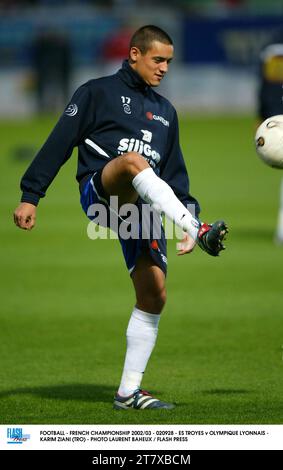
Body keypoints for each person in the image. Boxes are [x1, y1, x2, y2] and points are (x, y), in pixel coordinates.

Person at [13, 25, 228, 410]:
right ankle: (200, 229)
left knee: (154, 294)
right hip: (101, 192)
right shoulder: (96, 92)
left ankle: (128, 392)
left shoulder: (166, 113)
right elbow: (60, 140)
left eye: (169, 62)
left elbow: (175, 175)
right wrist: (32, 195)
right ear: (134, 54)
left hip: (141, 209)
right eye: (157, 59)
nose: (164, 68)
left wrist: (188, 211)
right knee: (133, 162)